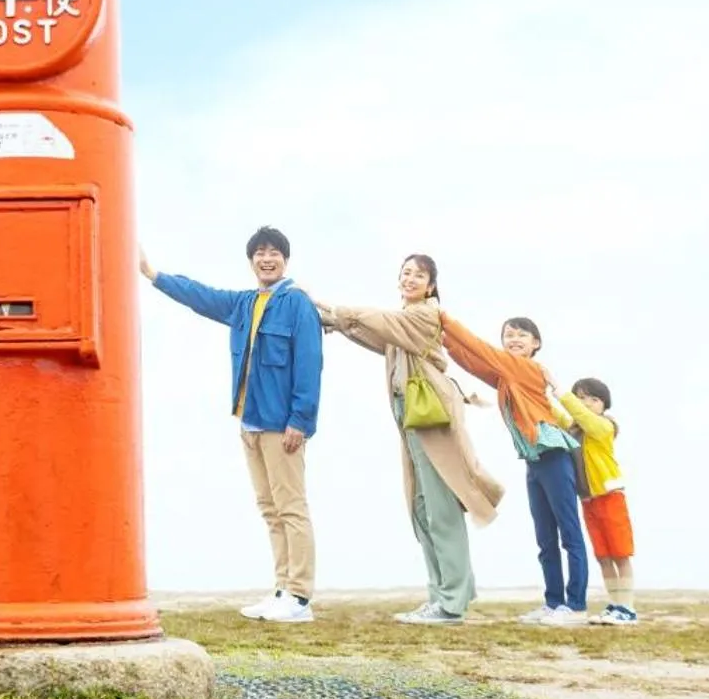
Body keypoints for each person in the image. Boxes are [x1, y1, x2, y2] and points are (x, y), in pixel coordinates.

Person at [141, 226, 324, 624]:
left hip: (282, 426)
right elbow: (201, 296)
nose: (266, 258)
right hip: (250, 423)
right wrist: (154, 275)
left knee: (291, 507)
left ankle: (300, 596)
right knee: (269, 509)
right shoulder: (244, 303)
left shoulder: (297, 304)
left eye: (274, 252)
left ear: (285, 259)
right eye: (259, 253)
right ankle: (281, 589)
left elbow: (310, 364)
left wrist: (301, 420)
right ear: (251, 261)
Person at [315, 255, 505, 625]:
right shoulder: (402, 322)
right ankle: (442, 594)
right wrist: (336, 323)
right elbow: (376, 335)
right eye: (406, 272)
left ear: (431, 285)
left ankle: (452, 601)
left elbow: (381, 321)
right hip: (412, 419)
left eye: (419, 274)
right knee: (422, 509)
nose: (411, 278)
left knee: (441, 509)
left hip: (431, 415)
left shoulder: (423, 314)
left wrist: (332, 307)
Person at [438, 311, 591, 626]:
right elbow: (475, 362)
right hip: (535, 459)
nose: (514, 339)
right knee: (544, 537)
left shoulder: (526, 367)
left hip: (553, 454)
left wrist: (442, 319)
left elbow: (479, 349)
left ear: (536, 344)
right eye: (509, 334)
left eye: (522, 334)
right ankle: (553, 603)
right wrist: (444, 343)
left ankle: (575, 606)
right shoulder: (506, 373)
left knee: (569, 531)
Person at [555, 376, 637, 625]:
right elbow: (557, 415)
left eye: (593, 399)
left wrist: (564, 397)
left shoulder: (604, 426)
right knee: (603, 556)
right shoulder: (574, 428)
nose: (587, 403)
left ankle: (628, 608)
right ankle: (615, 605)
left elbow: (587, 420)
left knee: (620, 554)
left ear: (604, 404)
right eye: (581, 398)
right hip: (589, 500)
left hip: (610, 496)